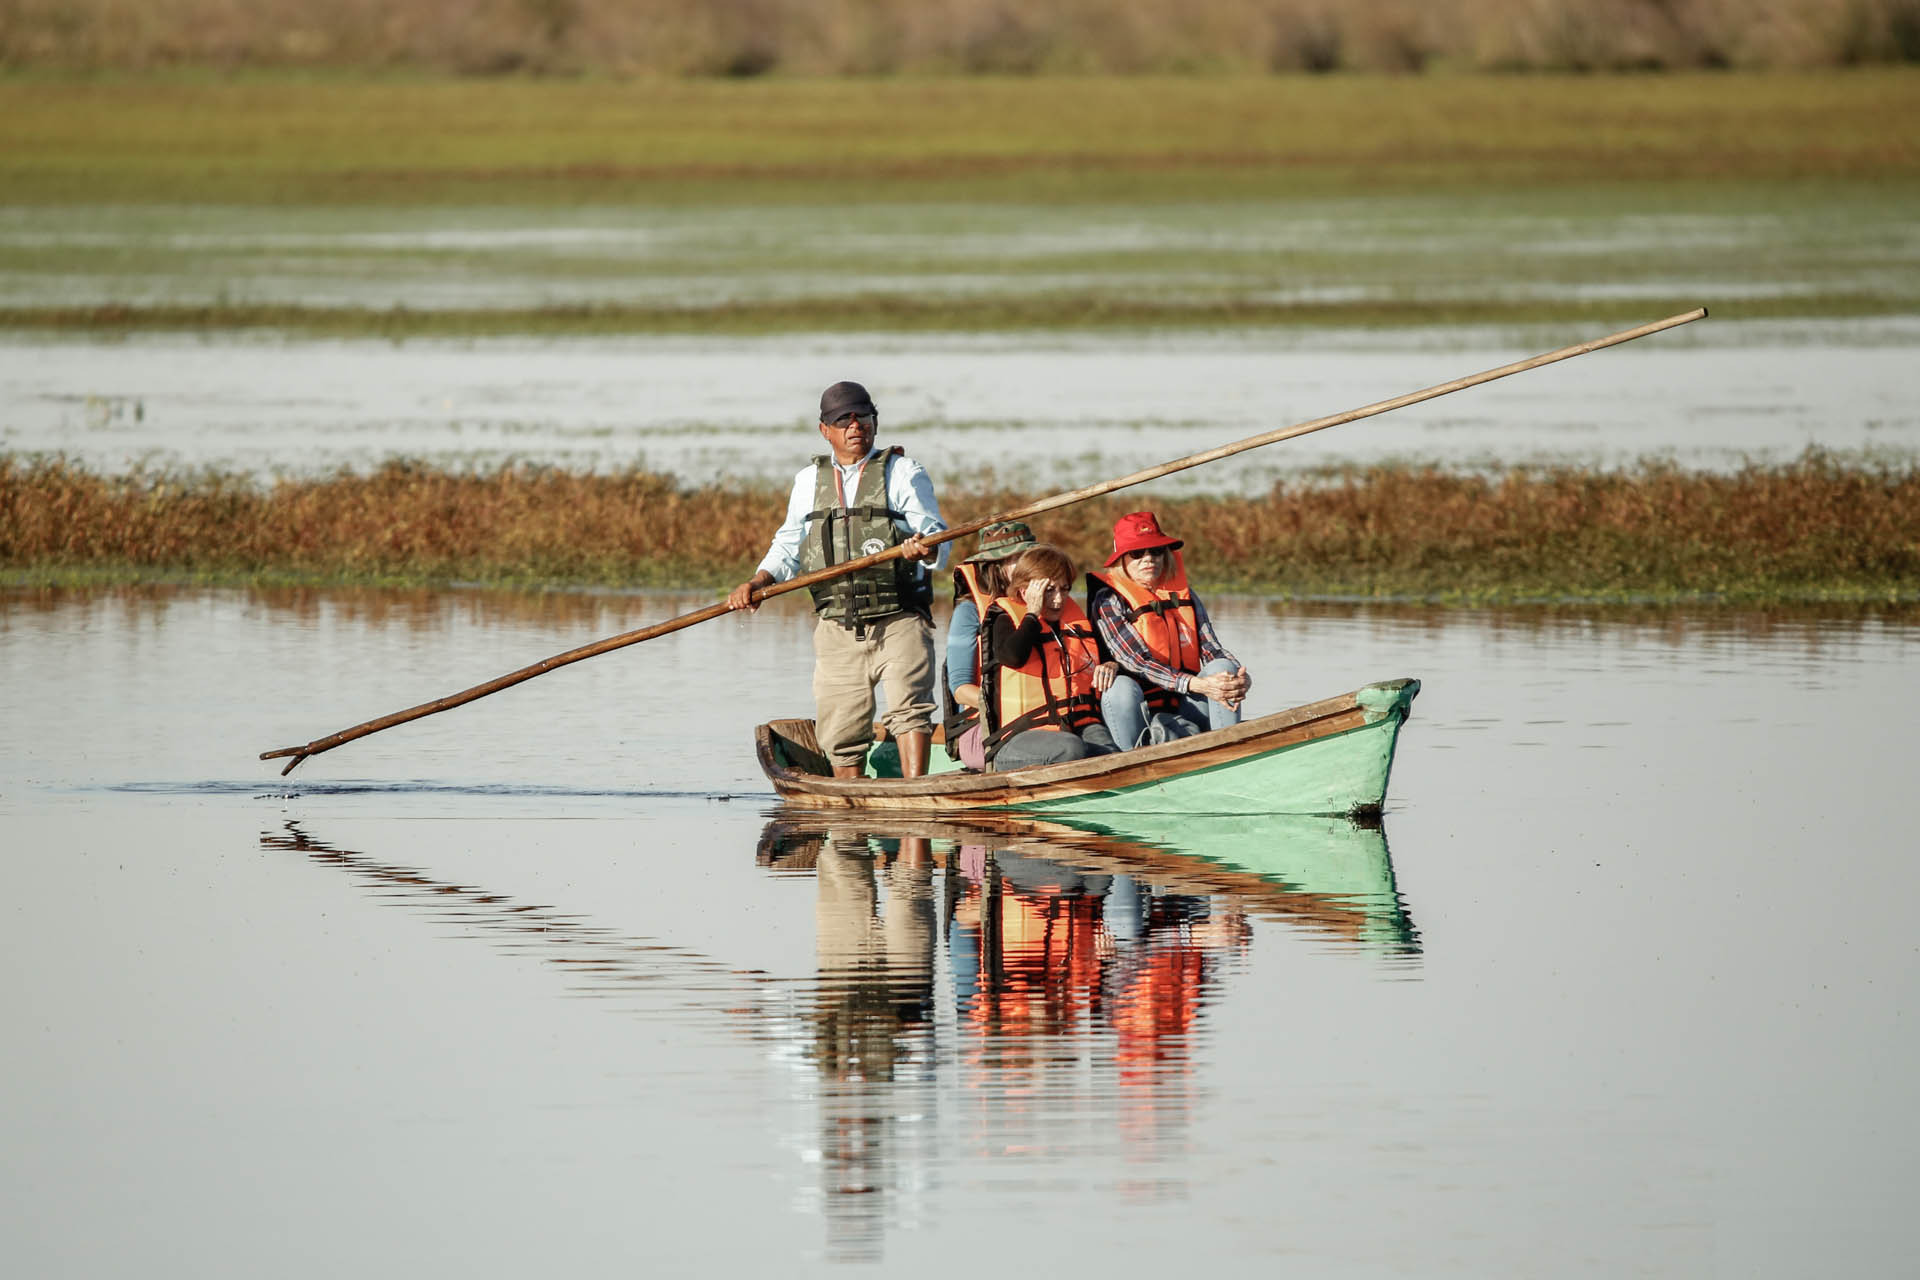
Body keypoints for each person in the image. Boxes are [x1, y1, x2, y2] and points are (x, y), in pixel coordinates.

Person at [728, 380, 947, 778]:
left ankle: (917, 793)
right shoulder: (807, 482)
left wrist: (926, 547)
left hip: (899, 617)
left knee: (910, 710)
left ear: (874, 423)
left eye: (862, 417)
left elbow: (934, 533)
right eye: (842, 420)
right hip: (836, 625)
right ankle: (850, 811)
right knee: (842, 732)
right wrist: (759, 580)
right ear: (824, 429)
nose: (854, 426)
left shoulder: (903, 472)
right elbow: (790, 542)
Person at [1087, 510, 1252, 750]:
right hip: (1139, 709)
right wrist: (1195, 684)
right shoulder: (1107, 599)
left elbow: (1211, 648)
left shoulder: (1183, 594)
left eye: (1156, 551)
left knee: (1223, 668)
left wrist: (1239, 678)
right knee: (1118, 688)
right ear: (1121, 559)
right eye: (1137, 553)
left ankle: (1228, 751)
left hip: (1187, 704)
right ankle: (1131, 764)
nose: (1148, 558)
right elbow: (1137, 662)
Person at [980, 544, 1121, 770]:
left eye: (1064, 590)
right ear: (1026, 591)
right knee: (1071, 749)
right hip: (1017, 739)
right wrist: (1032, 614)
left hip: (1077, 726)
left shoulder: (1073, 623)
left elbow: (1107, 657)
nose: (1058, 599)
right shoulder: (1004, 618)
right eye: (1049, 590)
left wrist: (1111, 665)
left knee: (1111, 757)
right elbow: (1013, 657)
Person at [940, 519, 1038, 771]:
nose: (1028, 564)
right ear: (996, 565)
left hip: (1041, 722)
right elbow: (960, 690)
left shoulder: (1044, 606)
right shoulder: (969, 612)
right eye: (1017, 557)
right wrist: (1011, 704)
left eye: (1029, 555)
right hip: (986, 732)